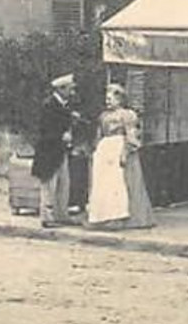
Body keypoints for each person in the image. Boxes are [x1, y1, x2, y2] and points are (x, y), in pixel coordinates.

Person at [87, 83, 155, 230]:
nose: (109, 101)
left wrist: (126, 151)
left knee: (117, 184)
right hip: (105, 150)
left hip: (118, 147)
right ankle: (102, 216)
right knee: (103, 183)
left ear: (121, 99)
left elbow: (131, 134)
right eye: (107, 98)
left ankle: (120, 216)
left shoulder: (127, 115)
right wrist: (95, 151)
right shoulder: (103, 116)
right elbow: (99, 135)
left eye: (112, 98)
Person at [31, 74, 83, 228]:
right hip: (49, 152)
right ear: (61, 89)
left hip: (61, 152)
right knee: (50, 185)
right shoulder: (49, 105)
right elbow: (44, 130)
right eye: (70, 89)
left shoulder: (64, 106)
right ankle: (47, 217)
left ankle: (61, 215)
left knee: (63, 184)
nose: (72, 92)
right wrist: (61, 136)